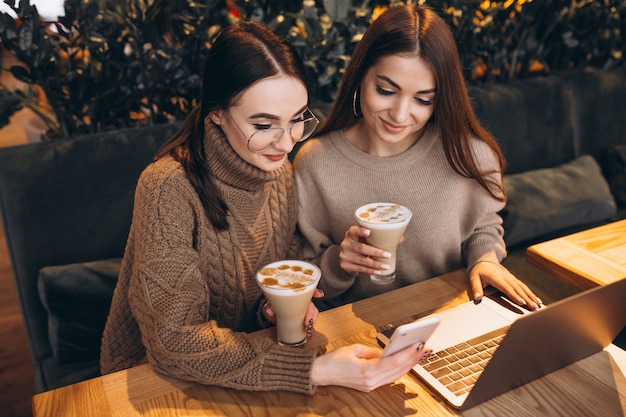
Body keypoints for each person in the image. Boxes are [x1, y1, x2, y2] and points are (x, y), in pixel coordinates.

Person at [100, 20, 430, 395]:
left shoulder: (279, 172)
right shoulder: (167, 187)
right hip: (157, 383)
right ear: (217, 113)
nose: (287, 142)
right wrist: (315, 370)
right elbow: (174, 341)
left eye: (297, 121)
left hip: (249, 367)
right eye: (263, 124)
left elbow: (266, 283)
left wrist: (274, 307)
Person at [294, 4, 542, 311]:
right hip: (356, 334)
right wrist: (339, 262)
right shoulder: (316, 163)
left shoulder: (465, 153)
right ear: (360, 77)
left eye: (423, 100)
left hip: (451, 319)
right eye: (386, 90)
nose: (400, 115)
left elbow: (482, 224)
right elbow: (302, 280)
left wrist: (484, 260)